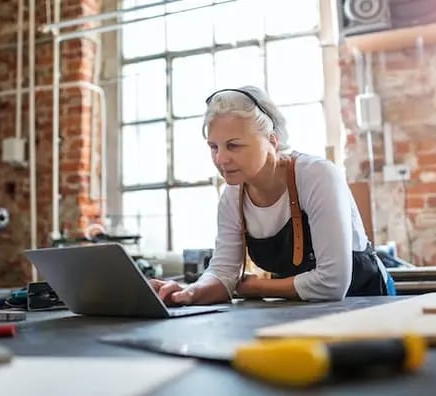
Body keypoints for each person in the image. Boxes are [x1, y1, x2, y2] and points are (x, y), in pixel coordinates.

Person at [150, 86, 395, 305]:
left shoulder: (317, 176)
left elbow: (332, 283)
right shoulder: (232, 197)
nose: (220, 159)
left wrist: (257, 287)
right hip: (299, 311)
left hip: (366, 304)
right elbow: (223, 273)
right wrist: (189, 292)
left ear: (272, 141)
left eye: (233, 145)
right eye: (214, 147)